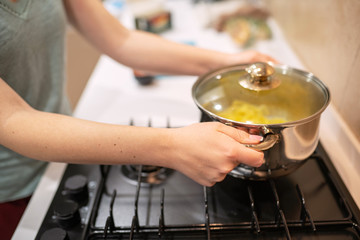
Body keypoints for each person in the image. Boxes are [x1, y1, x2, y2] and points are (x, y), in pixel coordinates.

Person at [0, 0, 276, 238]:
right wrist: (172, 147)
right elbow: (13, 119)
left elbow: (121, 39)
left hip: (65, 150)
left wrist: (225, 64)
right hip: (12, 192)